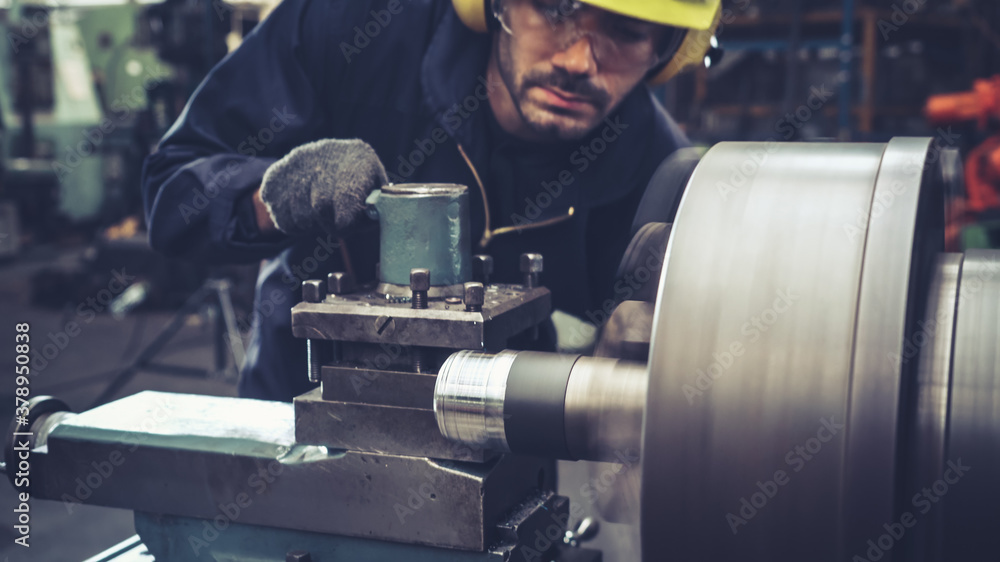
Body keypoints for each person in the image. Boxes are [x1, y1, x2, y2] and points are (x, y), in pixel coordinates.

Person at [142, 0, 721, 401]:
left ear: (671, 48)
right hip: (298, 415)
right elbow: (173, 196)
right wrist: (278, 198)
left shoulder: (663, 180)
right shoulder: (353, 27)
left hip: (509, 458)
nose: (577, 61)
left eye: (625, 30)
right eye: (555, 7)